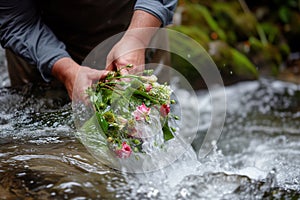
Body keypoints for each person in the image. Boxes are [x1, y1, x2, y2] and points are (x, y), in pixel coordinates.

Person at [0, 0, 177, 99]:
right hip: (39, 51)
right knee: (46, 151)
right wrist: (65, 69)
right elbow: (16, 21)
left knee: (149, 138)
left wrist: (137, 38)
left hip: (138, 28)